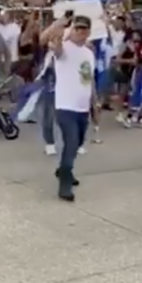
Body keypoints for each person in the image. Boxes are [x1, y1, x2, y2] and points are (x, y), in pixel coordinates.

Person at [42, 14, 95, 201]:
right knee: (71, 143)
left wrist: (94, 104)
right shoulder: (65, 48)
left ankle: (63, 170)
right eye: (77, 28)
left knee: (79, 142)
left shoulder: (89, 53)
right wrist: (57, 26)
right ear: (71, 30)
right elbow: (53, 45)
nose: (81, 32)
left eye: (84, 29)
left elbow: (89, 80)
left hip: (83, 107)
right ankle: (64, 184)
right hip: (65, 106)